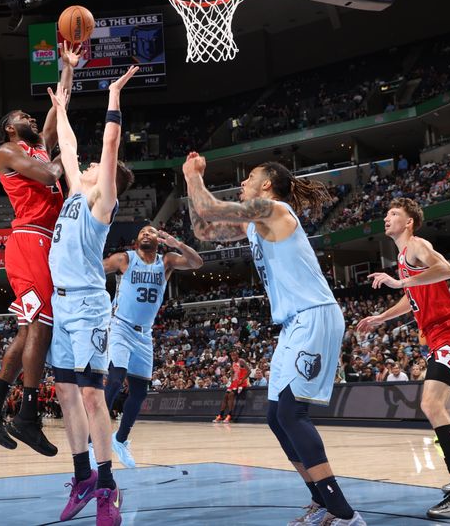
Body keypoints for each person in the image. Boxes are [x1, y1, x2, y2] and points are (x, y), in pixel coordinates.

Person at [183, 154, 364, 526]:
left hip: (314, 313)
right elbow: (204, 229)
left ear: (267, 184)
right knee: (275, 417)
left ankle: (345, 515)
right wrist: (190, 185)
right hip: (293, 322)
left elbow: (209, 206)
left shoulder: (275, 209)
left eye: (249, 176)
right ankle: (321, 502)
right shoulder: (254, 223)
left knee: (291, 412)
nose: (244, 183)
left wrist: (194, 177)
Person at [0, 42, 82, 456]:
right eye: (23, 116)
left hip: (42, 242)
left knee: (28, 329)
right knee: (43, 326)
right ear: (10, 129)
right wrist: (66, 153)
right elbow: (53, 170)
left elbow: (60, 105)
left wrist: (67, 68)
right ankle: (28, 416)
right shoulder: (8, 152)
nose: (31, 116)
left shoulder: (34, 143)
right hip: (29, 238)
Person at [45, 66, 137, 526]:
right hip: (62, 305)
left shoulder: (102, 202)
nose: (83, 166)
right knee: (64, 391)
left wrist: (114, 96)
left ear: (105, 177)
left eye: (93, 167)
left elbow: (106, 145)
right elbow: (69, 146)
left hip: (86, 307)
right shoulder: (76, 192)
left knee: (91, 397)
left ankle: (107, 487)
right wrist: (62, 107)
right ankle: (82, 476)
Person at [357, 198, 450, 519]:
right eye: (386, 213)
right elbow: (411, 297)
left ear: (409, 222)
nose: (386, 218)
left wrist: (401, 281)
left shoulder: (417, 245)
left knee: (431, 405)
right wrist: (381, 318)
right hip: (440, 336)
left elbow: (446, 269)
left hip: (449, 333)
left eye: (393, 214)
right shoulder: (404, 257)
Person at [102, 225, 203, 467]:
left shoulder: (166, 261)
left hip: (144, 334)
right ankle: (93, 439)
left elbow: (196, 262)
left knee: (139, 392)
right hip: (120, 326)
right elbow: (95, 270)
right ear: (137, 239)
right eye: (143, 232)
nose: (147, 233)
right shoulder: (125, 259)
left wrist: (177, 243)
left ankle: (121, 439)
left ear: (159, 239)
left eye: (152, 232)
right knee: (116, 379)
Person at [212, 352, 250, 423]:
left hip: (241, 382)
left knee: (231, 395)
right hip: (235, 382)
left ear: (237, 355)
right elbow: (232, 371)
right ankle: (220, 415)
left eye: (234, 355)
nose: (233, 357)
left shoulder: (241, 361)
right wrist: (232, 378)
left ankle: (229, 415)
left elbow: (249, 371)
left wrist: (243, 379)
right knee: (226, 396)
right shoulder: (233, 362)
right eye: (232, 356)